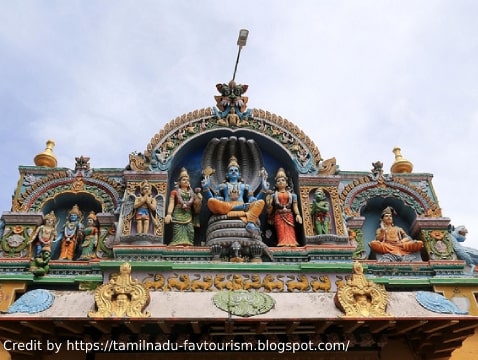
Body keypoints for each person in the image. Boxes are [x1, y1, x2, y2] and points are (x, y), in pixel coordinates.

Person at [201, 155, 268, 234]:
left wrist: (263, 190)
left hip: (243, 206)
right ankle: (238, 210)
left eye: (236, 170)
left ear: (239, 174)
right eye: (231, 170)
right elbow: (213, 200)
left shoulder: (245, 186)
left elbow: (253, 200)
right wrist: (206, 189)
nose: (233, 172)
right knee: (211, 201)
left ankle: (250, 223)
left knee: (260, 202)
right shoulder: (221, 186)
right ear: (227, 174)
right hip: (227, 206)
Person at [165, 168, 202, 246]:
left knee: (190, 230)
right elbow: (171, 203)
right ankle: (177, 244)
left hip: (188, 214)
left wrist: (199, 198)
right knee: (177, 230)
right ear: (179, 182)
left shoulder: (192, 194)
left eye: (187, 180)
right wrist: (169, 214)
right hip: (178, 213)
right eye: (183, 180)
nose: (186, 181)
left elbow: (196, 205)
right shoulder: (174, 192)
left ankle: (188, 244)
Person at [266, 168, 302, 246]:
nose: (281, 182)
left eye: (283, 180)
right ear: (275, 184)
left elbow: (295, 206)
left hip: (289, 214)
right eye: (278, 181)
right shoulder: (273, 195)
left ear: (286, 183)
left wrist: (298, 214)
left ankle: (292, 242)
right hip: (278, 215)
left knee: (290, 230)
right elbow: (269, 211)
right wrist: (269, 205)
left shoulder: (293, 195)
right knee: (281, 230)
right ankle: (282, 243)